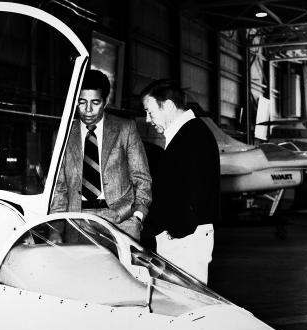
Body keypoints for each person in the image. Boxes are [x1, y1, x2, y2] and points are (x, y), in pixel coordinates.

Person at [50, 69, 151, 241]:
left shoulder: (125, 129)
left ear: (105, 102)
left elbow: (141, 178)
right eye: (82, 102)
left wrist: (138, 217)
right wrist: (55, 230)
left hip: (121, 223)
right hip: (77, 223)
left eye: (95, 102)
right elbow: (58, 188)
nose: (88, 110)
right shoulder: (63, 134)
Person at [139, 79, 220, 284]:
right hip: (182, 239)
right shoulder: (187, 134)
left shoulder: (193, 136)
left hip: (185, 241)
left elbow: (197, 192)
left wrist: (176, 232)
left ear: (167, 106)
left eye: (150, 112)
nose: (148, 120)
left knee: (189, 303)